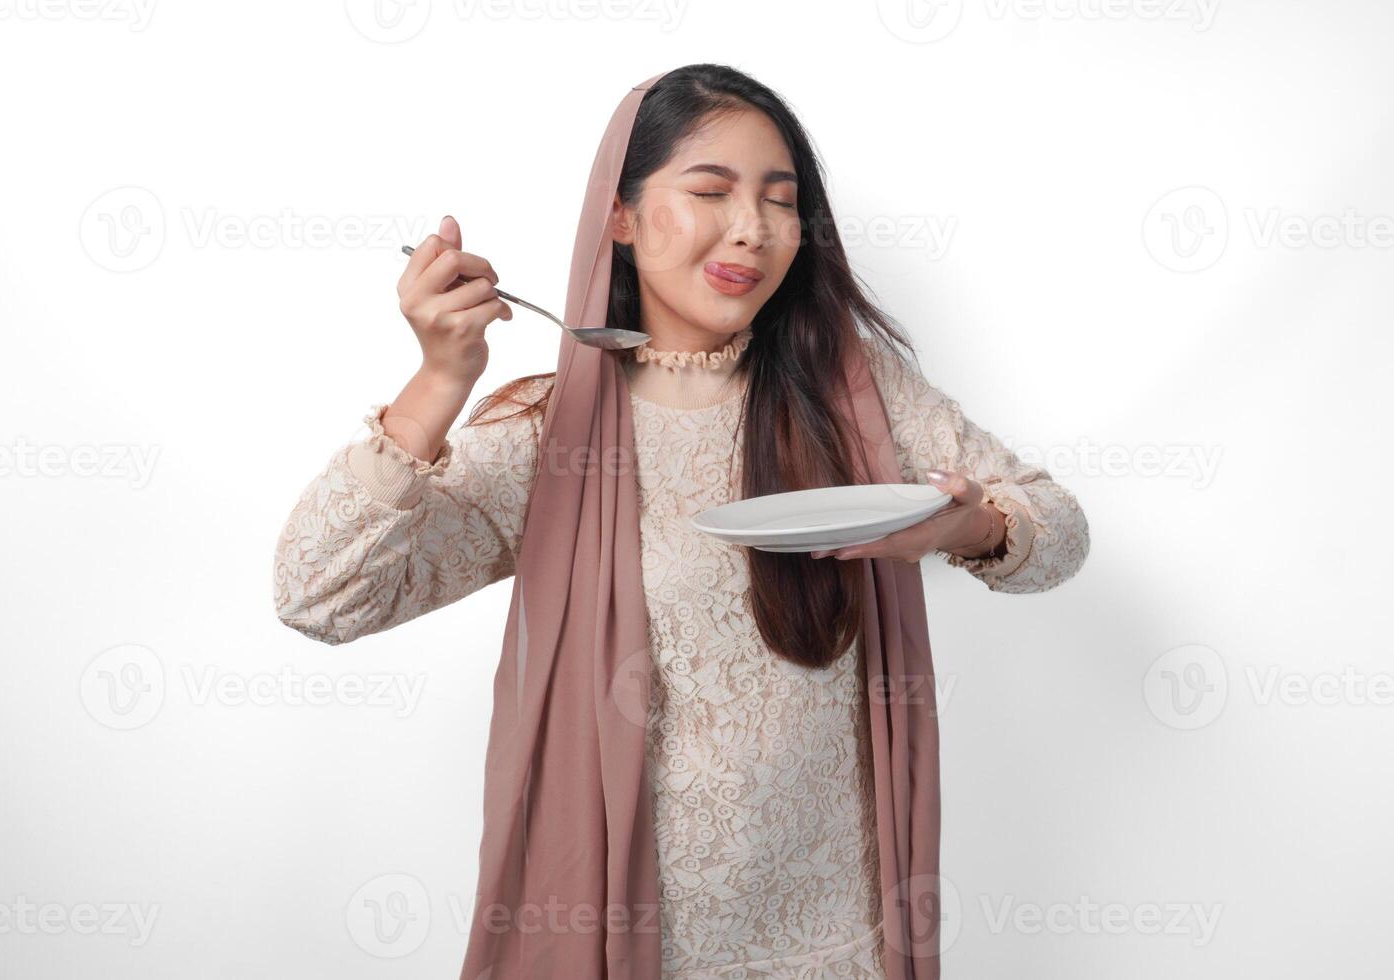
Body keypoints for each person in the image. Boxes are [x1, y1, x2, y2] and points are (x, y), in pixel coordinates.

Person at [273, 64, 1088, 979]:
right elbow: (321, 596)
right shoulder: (556, 434)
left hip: (839, 943)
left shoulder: (849, 395)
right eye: (711, 191)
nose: (753, 228)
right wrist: (439, 380)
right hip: (630, 948)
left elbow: (1058, 528)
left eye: (781, 202)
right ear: (619, 216)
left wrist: (962, 530)